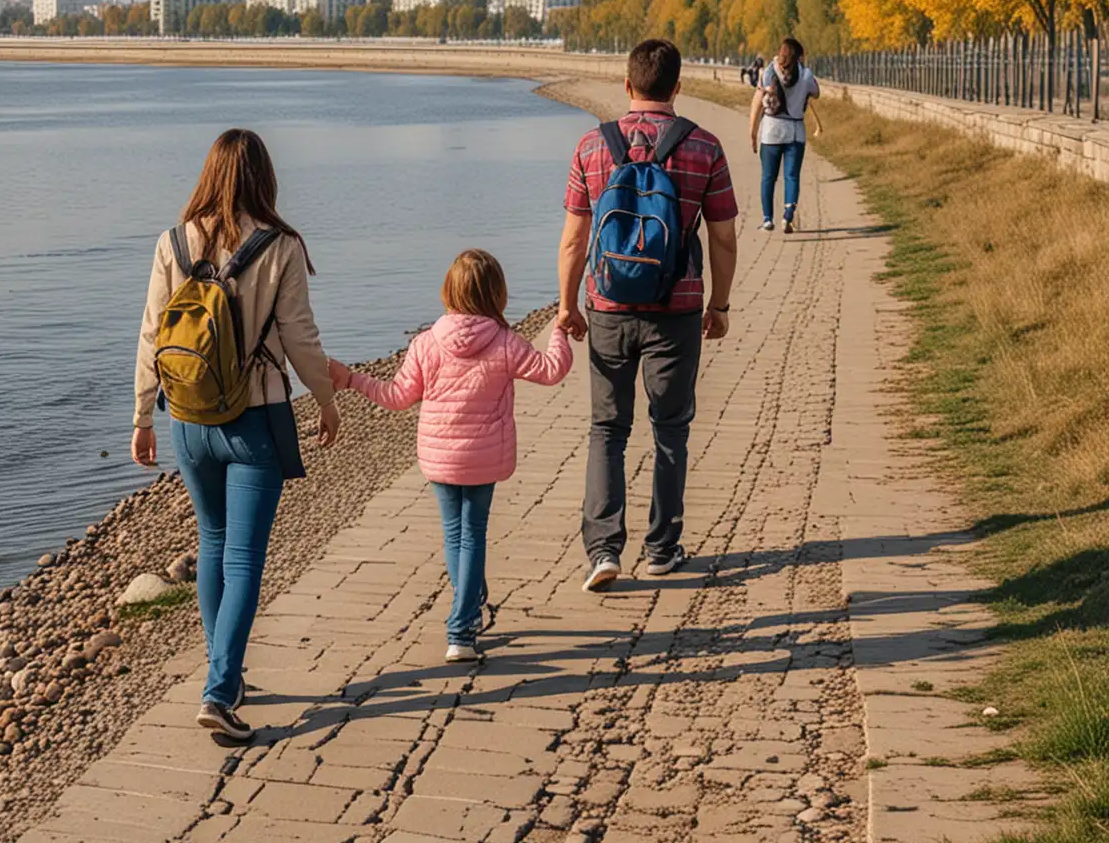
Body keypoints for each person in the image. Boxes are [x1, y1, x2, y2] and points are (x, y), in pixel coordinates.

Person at [133, 128, 340, 743]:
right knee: (245, 555)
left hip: (189, 422)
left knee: (214, 542)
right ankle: (220, 691)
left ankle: (225, 671)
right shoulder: (279, 247)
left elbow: (151, 334)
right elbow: (300, 338)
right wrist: (326, 400)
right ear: (264, 179)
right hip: (254, 420)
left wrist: (143, 416)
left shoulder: (172, 241)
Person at [328, 250, 570, 663]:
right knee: (473, 533)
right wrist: (560, 330)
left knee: (454, 534)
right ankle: (461, 629)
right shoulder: (505, 342)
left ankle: (469, 606)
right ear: (497, 294)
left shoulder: (426, 343)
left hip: (439, 458)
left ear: (449, 291)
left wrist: (351, 379)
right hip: (484, 457)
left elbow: (398, 396)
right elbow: (552, 370)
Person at [557, 38, 739, 587]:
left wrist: (568, 305)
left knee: (607, 429)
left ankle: (604, 551)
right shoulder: (704, 147)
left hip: (608, 305)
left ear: (627, 85)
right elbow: (725, 237)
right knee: (670, 429)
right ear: (678, 87)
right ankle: (663, 548)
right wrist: (719, 304)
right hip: (677, 307)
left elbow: (574, 239)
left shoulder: (592, 146)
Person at [750, 36, 823, 234]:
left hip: (771, 131)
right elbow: (816, 92)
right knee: (792, 176)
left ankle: (767, 219)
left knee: (768, 177)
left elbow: (757, 103)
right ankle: (788, 215)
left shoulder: (766, 73)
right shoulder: (806, 75)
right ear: (799, 56)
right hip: (795, 132)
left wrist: (752, 132)